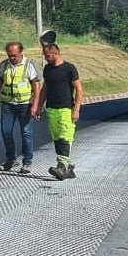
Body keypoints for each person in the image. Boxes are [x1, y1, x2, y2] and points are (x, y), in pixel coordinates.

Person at [0, 42, 41, 173]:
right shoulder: (4, 65)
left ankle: (27, 162)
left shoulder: (29, 65)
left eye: (14, 55)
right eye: (9, 55)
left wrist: (36, 105)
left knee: (26, 133)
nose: (12, 58)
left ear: (21, 52)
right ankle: (11, 160)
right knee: (6, 132)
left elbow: (36, 86)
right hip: (8, 104)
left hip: (25, 104)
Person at [35, 42, 83, 180]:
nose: (45, 58)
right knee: (57, 138)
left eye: (47, 55)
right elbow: (45, 89)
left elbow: (79, 89)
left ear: (55, 53)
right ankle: (69, 167)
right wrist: (39, 106)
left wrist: (76, 109)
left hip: (66, 108)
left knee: (64, 137)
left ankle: (61, 167)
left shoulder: (69, 68)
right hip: (52, 108)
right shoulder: (48, 69)